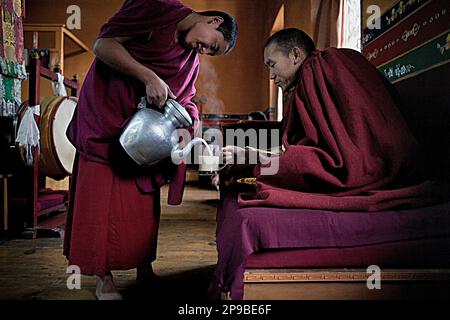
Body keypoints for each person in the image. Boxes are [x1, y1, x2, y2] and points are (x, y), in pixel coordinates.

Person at [64, 0, 237, 300]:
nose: (204, 52)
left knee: (142, 202)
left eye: (211, 53)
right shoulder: (155, 8)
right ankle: (103, 279)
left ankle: (144, 269)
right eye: (212, 46)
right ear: (213, 21)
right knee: (99, 201)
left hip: (144, 130)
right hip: (107, 114)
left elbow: (184, 96)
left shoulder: (189, 60)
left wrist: (191, 118)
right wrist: (147, 76)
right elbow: (103, 44)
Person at [223, 28, 447, 211]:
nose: (271, 76)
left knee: (269, 171)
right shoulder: (315, 74)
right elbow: (313, 144)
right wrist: (256, 156)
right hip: (398, 157)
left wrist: (258, 157)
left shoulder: (318, 67)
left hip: (374, 163)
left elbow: (338, 162)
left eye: (272, 64)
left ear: (295, 54)